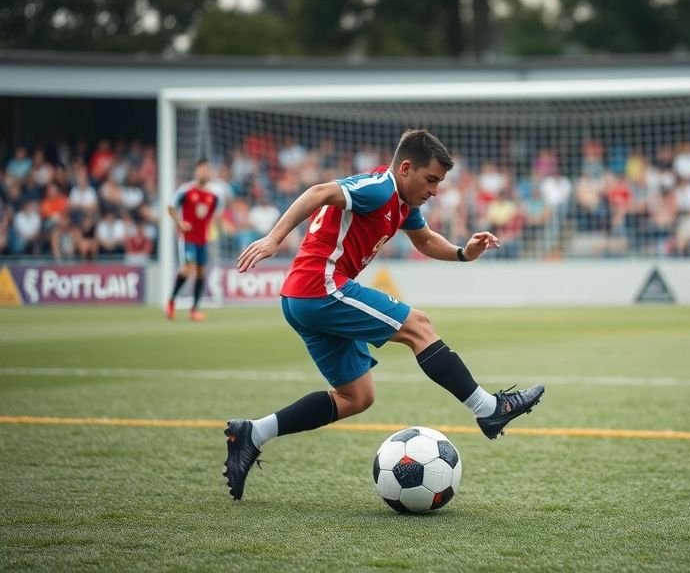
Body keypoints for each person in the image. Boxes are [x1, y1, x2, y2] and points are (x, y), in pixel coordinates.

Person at [224, 130, 545, 501]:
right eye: (430, 180)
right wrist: (273, 239)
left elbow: (425, 240)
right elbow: (317, 192)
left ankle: (253, 433)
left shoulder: (403, 203)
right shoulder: (379, 188)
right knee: (418, 325)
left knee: (356, 396)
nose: (435, 190)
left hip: (303, 297)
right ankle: (489, 409)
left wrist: (463, 253)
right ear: (405, 168)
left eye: (439, 183)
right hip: (320, 287)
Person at [166, 160, 221, 321]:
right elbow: (171, 206)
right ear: (196, 172)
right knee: (188, 269)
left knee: (201, 271)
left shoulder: (213, 196)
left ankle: (194, 309)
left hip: (203, 239)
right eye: (202, 170)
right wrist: (179, 223)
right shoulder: (186, 191)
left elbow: (210, 216)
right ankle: (171, 301)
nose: (204, 173)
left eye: (207, 170)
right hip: (187, 238)